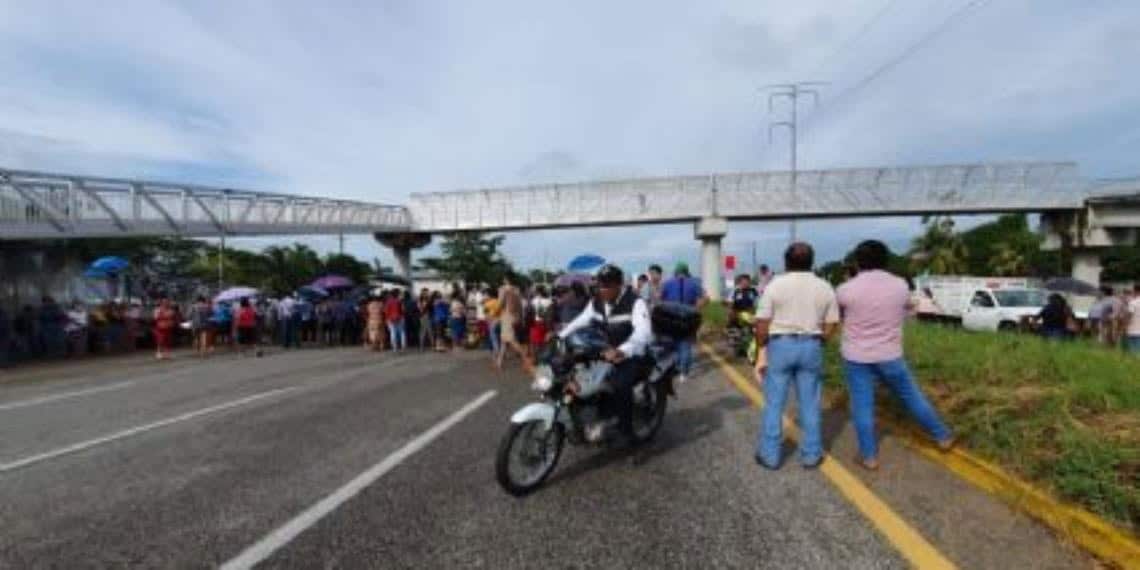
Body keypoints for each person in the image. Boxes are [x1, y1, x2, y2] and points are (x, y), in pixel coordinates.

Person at [837, 240, 955, 471]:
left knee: (862, 405)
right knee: (913, 397)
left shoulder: (845, 290)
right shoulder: (900, 285)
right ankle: (942, 436)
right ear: (886, 259)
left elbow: (838, 314)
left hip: (856, 356)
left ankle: (869, 457)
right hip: (890, 354)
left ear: (857, 262)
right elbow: (908, 307)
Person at [753, 242, 839, 470]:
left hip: (780, 345)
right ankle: (811, 455)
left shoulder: (775, 285)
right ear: (812, 261)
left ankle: (770, 456)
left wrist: (762, 351)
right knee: (810, 403)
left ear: (786, 262)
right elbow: (832, 323)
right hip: (811, 345)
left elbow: (761, 325)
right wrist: (821, 339)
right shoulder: (825, 286)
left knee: (774, 404)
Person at [558, 264, 653, 447]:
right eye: (600, 285)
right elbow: (581, 320)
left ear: (619, 285)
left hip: (633, 354)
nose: (602, 290)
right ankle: (584, 419)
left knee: (619, 384)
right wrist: (560, 336)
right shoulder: (597, 301)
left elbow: (643, 333)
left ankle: (627, 432)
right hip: (606, 350)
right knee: (575, 372)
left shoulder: (635, 302)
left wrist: (624, 350)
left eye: (607, 286)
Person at [660, 261, 707, 383]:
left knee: (673, 344)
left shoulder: (667, 283)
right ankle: (683, 373)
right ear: (687, 272)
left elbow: (660, 300)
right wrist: (696, 308)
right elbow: (706, 298)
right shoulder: (694, 283)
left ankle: (674, 367)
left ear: (676, 272)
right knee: (685, 345)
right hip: (688, 318)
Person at [496, 277, 528, 370]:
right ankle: (499, 362)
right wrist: (521, 318)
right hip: (515, 315)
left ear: (506, 279)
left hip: (506, 315)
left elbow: (501, 303)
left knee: (511, 339)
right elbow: (520, 305)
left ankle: (527, 358)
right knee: (504, 340)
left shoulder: (503, 289)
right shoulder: (516, 289)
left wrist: (496, 313)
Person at [528, 285, 552, 357]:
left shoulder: (533, 301)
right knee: (545, 342)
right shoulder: (549, 301)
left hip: (535, 323)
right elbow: (550, 314)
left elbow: (530, 312)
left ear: (537, 292)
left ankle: (536, 358)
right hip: (545, 323)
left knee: (534, 342)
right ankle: (543, 357)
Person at [483, 288, 502, 357]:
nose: (484, 296)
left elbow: (487, 314)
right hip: (500, 321)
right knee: (499, 337)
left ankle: (496, 352)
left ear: (489, 295)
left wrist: (488, 319)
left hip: (492, 321)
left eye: (485, 294)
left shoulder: (487, 303)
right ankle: (501, 351)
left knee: (493, 337)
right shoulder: (498, 301)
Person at [1125, 285, 1140, 355]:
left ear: (1135, 291)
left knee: (1133, 352)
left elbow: (1129, 316)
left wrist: (1125, 326)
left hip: (1133, 330)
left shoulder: (1133, 303)